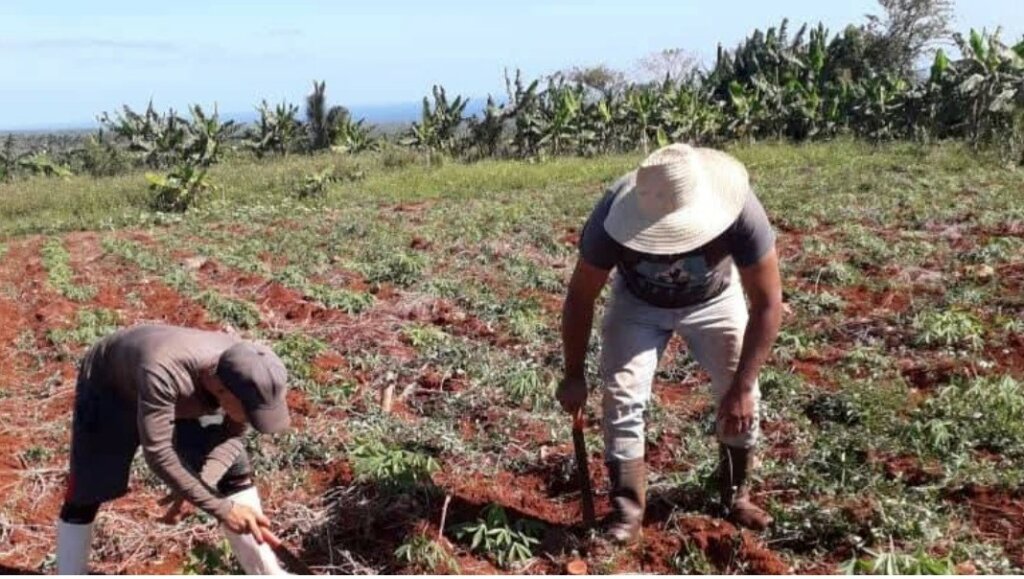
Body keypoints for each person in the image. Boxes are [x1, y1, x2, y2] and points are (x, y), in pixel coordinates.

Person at [557, 143, 783, 544]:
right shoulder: (610, 216)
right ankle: (627, 513)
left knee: (738, 390)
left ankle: (736, 495)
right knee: (622, 394)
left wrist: (743, 386)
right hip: (638, 303)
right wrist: (573, 374)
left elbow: (768, 303)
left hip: (714, 299)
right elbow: (580, 296)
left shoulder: (740, 211)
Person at [55, 324, 293, 575]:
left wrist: (201, 485)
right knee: (89, 487)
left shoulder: (246, 371)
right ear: (223, 391)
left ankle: (268, 574)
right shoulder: (164, 372)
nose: (250, 421)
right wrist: (224, 509)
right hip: (112, 384)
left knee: (232, 474)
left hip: (181, 392)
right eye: (248, 413)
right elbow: (159, 454)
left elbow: (232, 435)